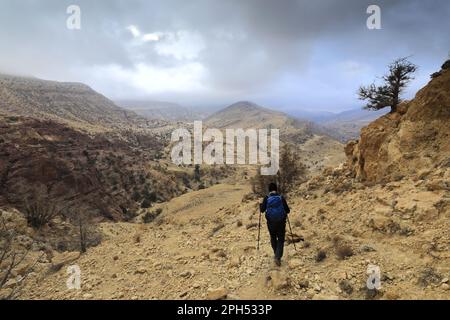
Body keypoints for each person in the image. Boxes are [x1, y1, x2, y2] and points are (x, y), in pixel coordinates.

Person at [260, 182, 290, 266]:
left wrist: (261, 206)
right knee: (280, 239)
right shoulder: (281, 198)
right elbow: (287, 210)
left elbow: (262, 210)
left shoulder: (266, 198)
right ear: (276, 189)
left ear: (269, 190)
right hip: (281, 222)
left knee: (273, 237)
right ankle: (278, 256)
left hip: (271, 222)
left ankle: (276, 255)